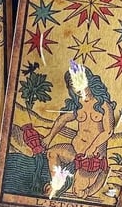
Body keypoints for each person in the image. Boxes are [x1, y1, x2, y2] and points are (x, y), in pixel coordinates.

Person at [42, 66, 116, 198]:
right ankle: (56, 184)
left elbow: (108, 131)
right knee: (52, 153)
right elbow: (62, 119)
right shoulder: (78, 105)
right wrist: (49, 137)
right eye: (72, 84)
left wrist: (92, 147)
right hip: (75, 151)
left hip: (92, 156)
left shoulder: (103, 105)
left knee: (79, 193)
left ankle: (103, 173)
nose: (75, 86)